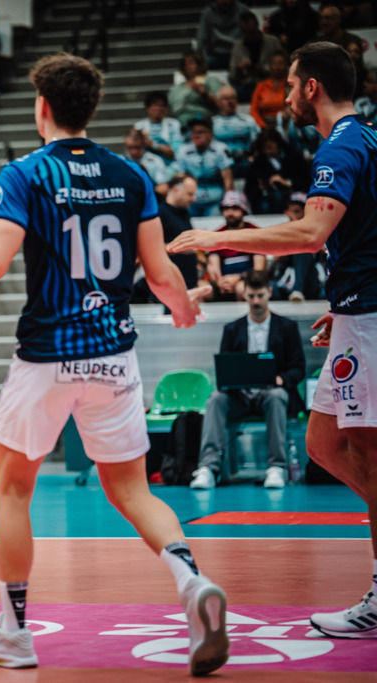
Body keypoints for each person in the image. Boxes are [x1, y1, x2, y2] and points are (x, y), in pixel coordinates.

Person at [0, 53, 226, 674]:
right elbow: (160, 275)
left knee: (13, 487)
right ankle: (190, 582)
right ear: (92, 108)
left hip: (48, 355)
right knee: (132, 488)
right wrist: (184, 309)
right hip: (113, 354)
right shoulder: (131, 174)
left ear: (42, 107)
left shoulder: (26, 173)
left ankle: (14, 635)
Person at [169, 40, 377, 639]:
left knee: (365, 454)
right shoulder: (363, 140)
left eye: (290, 84)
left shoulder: (342, 145)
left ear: (311, 86)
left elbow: (313, 233)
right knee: (322, 444)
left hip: (367, 317)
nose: (285, 95)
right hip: (357, 313)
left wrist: (219, 240)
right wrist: (344, 309)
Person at [190, 270, 305, 490]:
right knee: (215, 399)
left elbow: (298, 367)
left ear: (269, 292)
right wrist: (232, 382)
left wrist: (282, 379)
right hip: (240, 396)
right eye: (251, 296)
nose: (256, 301)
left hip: (271, 393)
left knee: (277, 395)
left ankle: (276, 467)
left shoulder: (287, 327)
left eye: (260, 295)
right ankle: (208, 467)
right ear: (245, 296)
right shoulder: (232, 329)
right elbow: (225, 366)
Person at [205, 190, 266, 301]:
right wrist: (219, 282)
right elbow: (213, 266)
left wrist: (237, 278)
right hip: (223, 281)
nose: (230, 213)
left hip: (247, 279)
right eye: (226, 209)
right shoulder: (216, 235)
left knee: (241, 289)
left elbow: (259, 269)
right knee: (202, 289)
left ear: (243, 210)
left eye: (234, 209)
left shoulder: (255, 232)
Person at [172, 116, 235, 217]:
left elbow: (228, 181)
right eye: (194, 132)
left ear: (211, 134)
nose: (196, 135)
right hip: (191, 201)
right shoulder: (183, 150)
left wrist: (228, 206)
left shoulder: (221, 149)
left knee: (216, 217)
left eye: (201, 132)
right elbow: (179, 179)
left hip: (215, 200)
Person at [229, 11, 282, 102]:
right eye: (246, 33)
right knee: (230, 95)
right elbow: (232, 77)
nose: (250, 36)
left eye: (252, 31)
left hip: (271, 83)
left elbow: (283, 66)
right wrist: (239, 69)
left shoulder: (272, 42)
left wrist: (263, 69)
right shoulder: (237, 47)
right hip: (247, 86)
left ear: (257, 26)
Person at [213, 85, 260, 176]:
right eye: (225, 98)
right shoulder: (212, 123)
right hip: (219, 165)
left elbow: (259, 143)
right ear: (217, 102)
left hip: (244, 162)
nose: (230, 101)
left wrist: (254, 156)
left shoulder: (248, 120)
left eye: (233, 98)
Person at [169, 51, 224, 127]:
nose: (187, 66)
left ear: (200, 64)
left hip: (203, 124)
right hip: (178, 127)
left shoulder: (210, 81)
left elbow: (222, 104)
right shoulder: (176, 88)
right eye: (185, 64)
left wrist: (203, 94)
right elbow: (168, 110)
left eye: (191, 63)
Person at [196, 0, 250, 70]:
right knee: (199, 66)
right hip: (215, 54)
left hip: (238, 52)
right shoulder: (208, 13)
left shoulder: (243, 10)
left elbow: (250, 31)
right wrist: (197, 58)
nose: (224, 1)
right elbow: (202, 37)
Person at [133, 91, 183, 162]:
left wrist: (152, 144)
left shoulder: (174, 124)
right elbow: (135, 152)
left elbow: (176, 153)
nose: (159, 108)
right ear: (147, 108)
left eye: (162, 105)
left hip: (170, 166)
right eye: (155, 105)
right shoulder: (139, 126)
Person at [251, 51, 292, 128]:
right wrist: (263, 127)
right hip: (264, 126)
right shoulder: (261, 86)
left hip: (287, 124)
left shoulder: (291, 84)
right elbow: (254, 111)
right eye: (274, 63)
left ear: (287, 65)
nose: (277, 67)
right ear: (269, 66)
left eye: (281, 63)